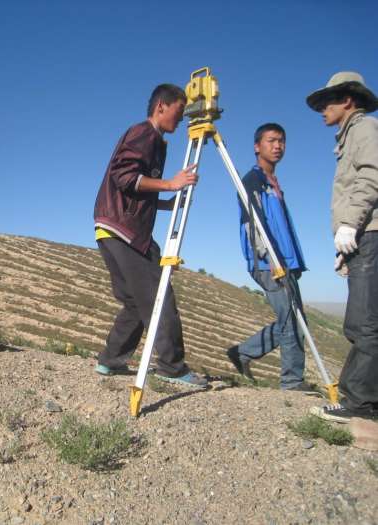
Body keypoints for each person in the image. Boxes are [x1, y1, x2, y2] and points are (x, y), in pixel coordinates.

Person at [92, 83, 207, 388]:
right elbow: (125, 176)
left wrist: (167, 201)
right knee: (159, 296)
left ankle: (110, 360)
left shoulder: (154, 140)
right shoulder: (144, 133)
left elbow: (136, 186)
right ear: (161, 107)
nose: (181, 120)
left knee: (132, 301)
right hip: (125, 229)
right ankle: (171, 366)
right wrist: (170, 184)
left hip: (112, 227)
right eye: (178, 112)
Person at [305, 72, 378, 423]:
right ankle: (362, 398)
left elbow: (371, 176)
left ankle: (361, 404)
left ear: (348, 100)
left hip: (370, 234)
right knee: (357, 322)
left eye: (327, 102)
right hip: (363, 238)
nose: (322, 109)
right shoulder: (350, 136)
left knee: (365, 323)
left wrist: (351, 223)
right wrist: (346, 246)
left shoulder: (364, 129)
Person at [226, 123, 317, 393]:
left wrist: (294, 261)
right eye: (271, 141)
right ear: (257, 146)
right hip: (269, 262)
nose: (278, 146)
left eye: (282, 141)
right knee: (292, 320)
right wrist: (271, 257)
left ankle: (242, 353)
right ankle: (292, 381)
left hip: (285, 261)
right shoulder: (253, 180)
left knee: (294, 319)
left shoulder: (273, 183)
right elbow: (251, 224)